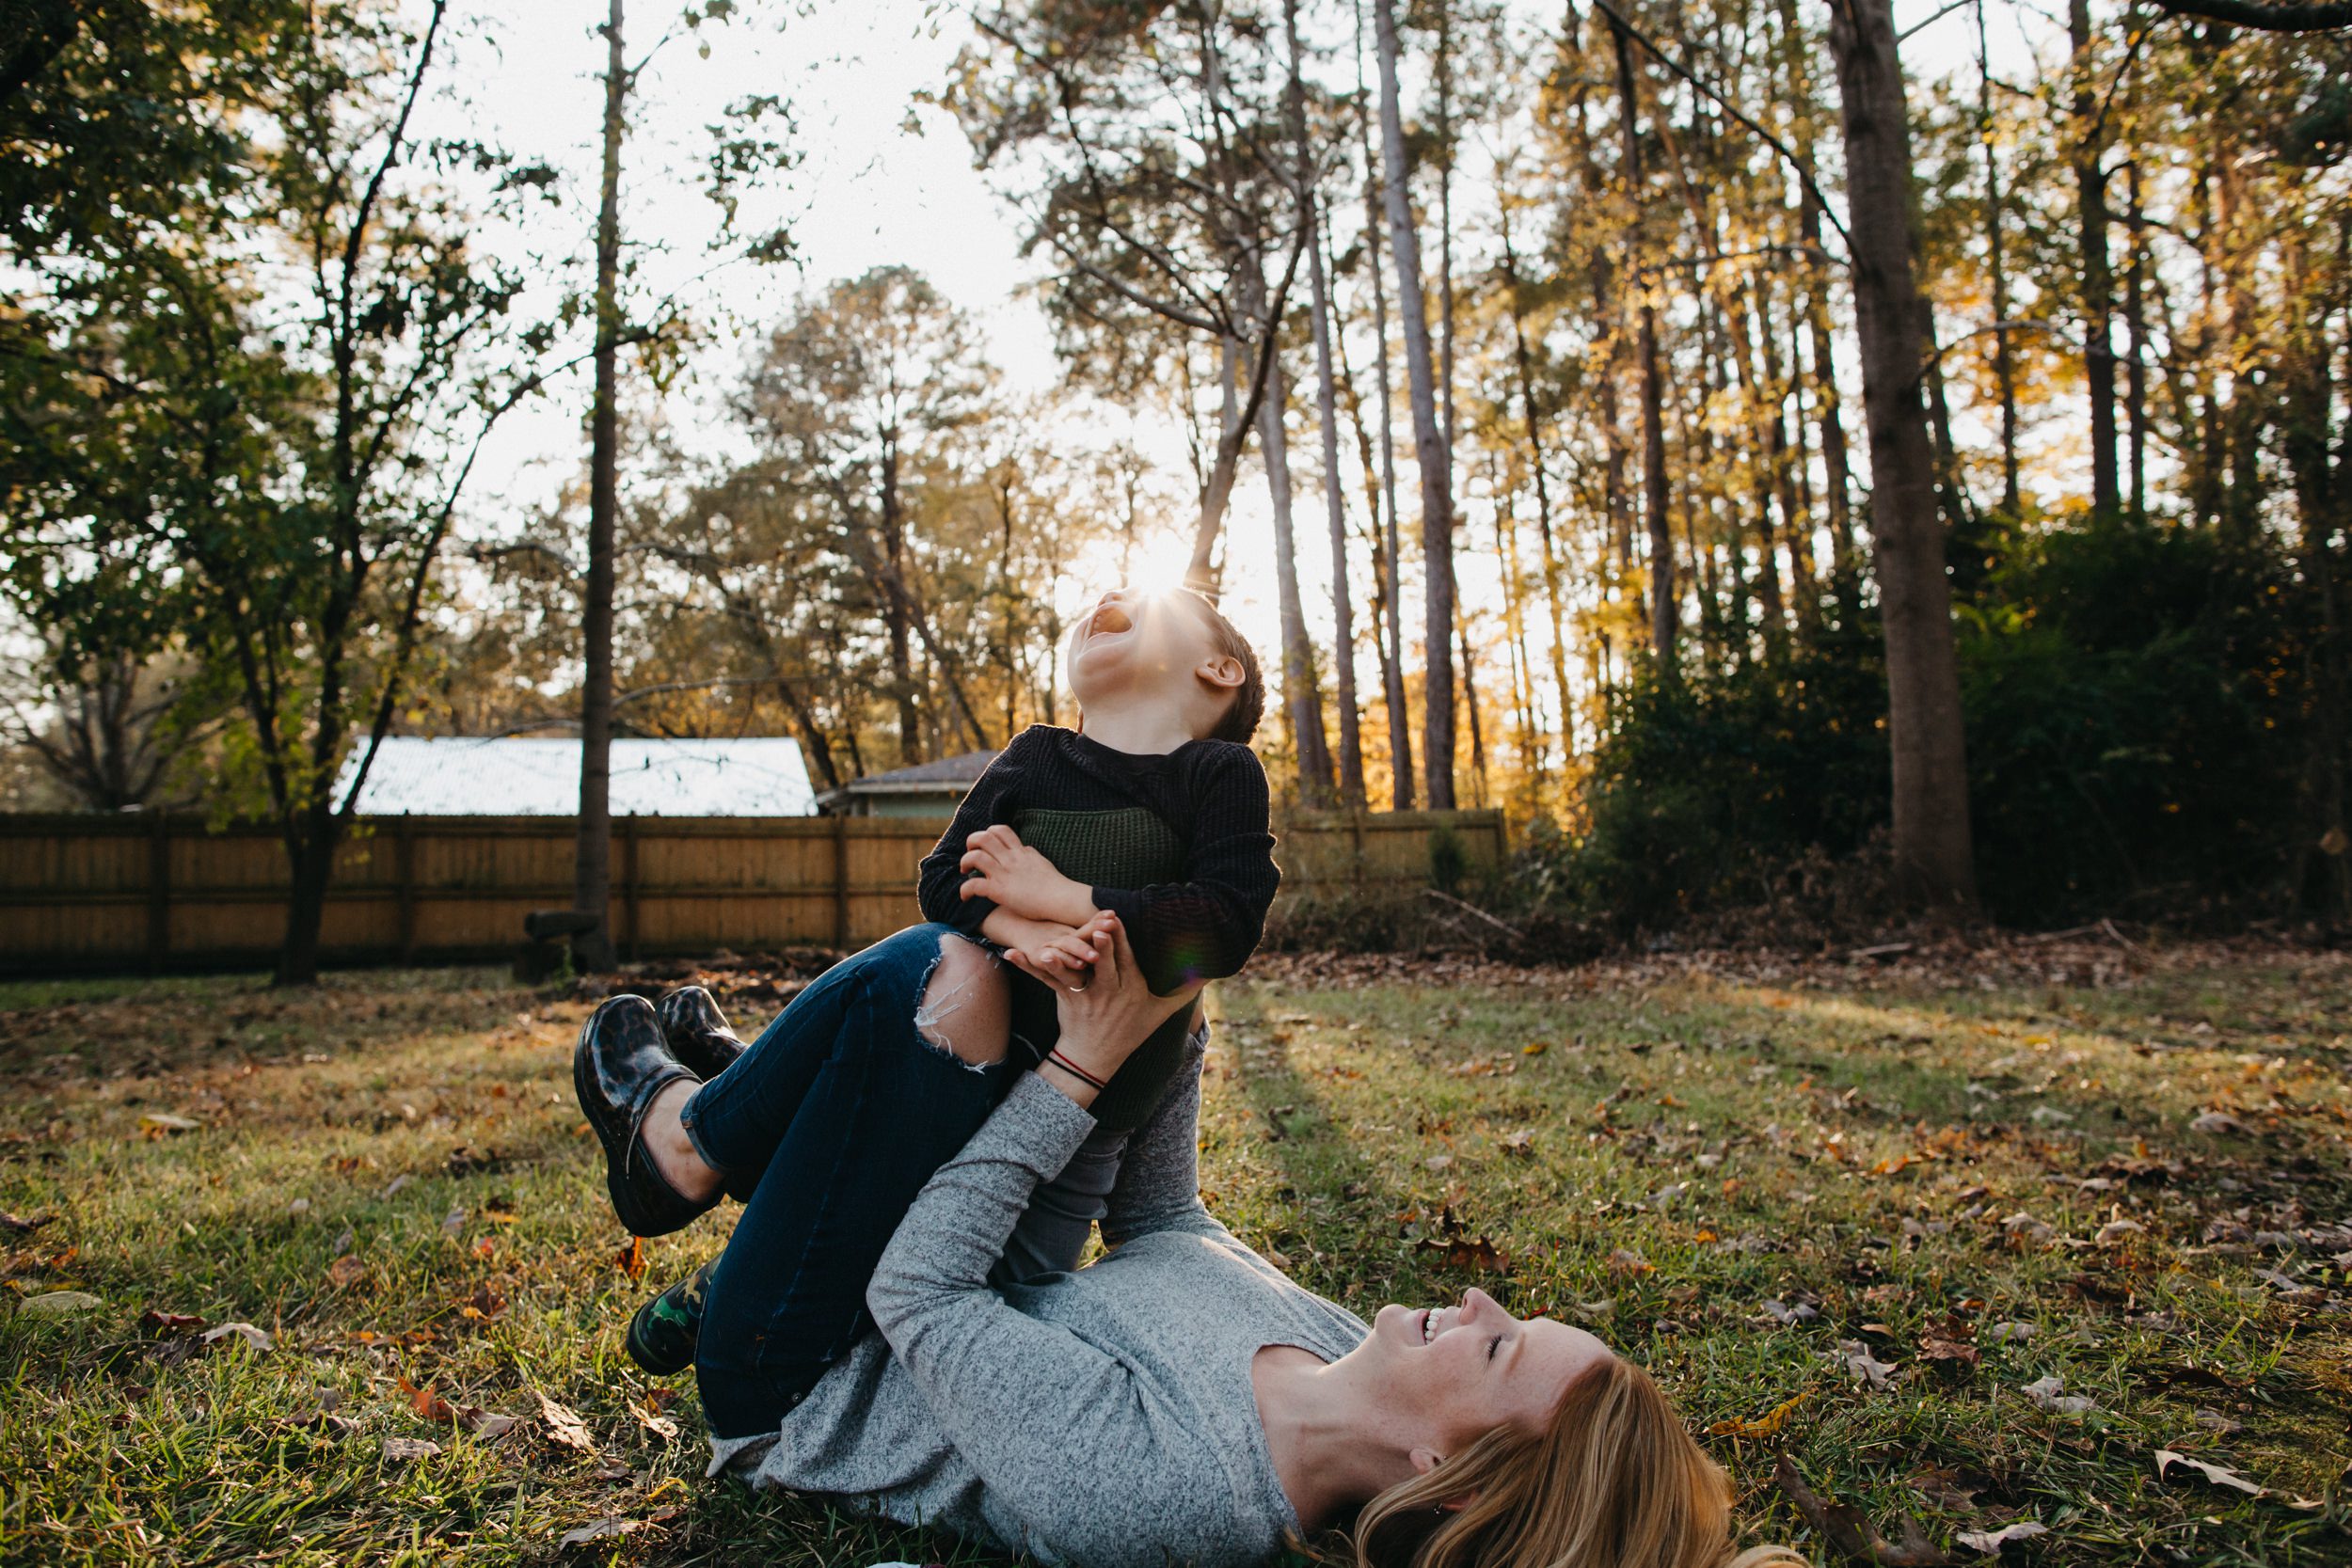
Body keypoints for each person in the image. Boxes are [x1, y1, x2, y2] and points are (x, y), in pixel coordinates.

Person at [574, 917, 1799, 1568]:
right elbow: (1165, 1225)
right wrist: (1174, 1012)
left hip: (806, 1370)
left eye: (1497, 1347)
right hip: (997, 1283)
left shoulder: (1178, 1497)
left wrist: (1089, 1062)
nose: (1478, 1300)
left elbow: (922, 1296)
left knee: (933, 981)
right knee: (1096, 950)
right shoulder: (1331, 1350)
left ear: (1447, 1467)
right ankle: (769, 1115)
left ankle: (686, 1141)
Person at [582, 583, 1279, 1373]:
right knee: (918, 1005)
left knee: (950, 1281)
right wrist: (1023, 928)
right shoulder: (1035, 756)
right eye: (1096, 599)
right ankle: (740, 1115)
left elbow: (1223, 922)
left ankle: (741, 1119)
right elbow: (945, 880)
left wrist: (1057, 895)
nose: (1113, 594)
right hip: (946, 1066)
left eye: (1156, 599)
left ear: (1220, 670)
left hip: (1069, 1134)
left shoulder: (1219, 773)